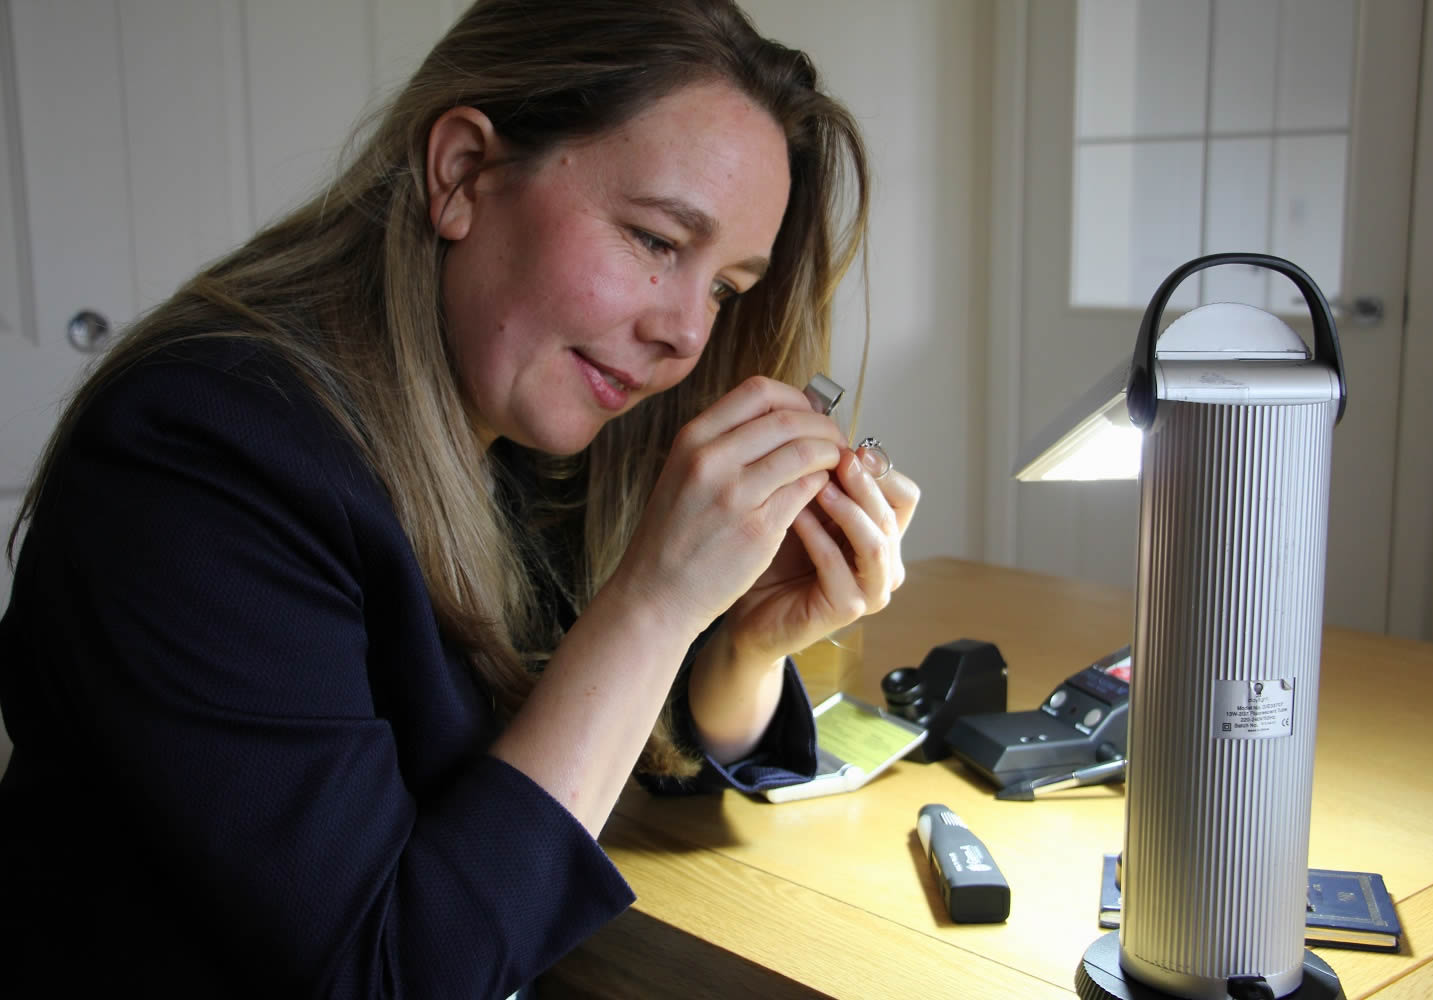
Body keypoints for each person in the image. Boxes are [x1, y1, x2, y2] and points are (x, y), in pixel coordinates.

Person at [0, 0, 919, 996]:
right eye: (657, 239)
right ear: (464, 173)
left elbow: (633, 769)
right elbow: (390, 975)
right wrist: (654, 606)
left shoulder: (528, 430)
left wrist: (744, 642)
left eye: (725, 288)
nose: (688, 336)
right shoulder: (201, 461)